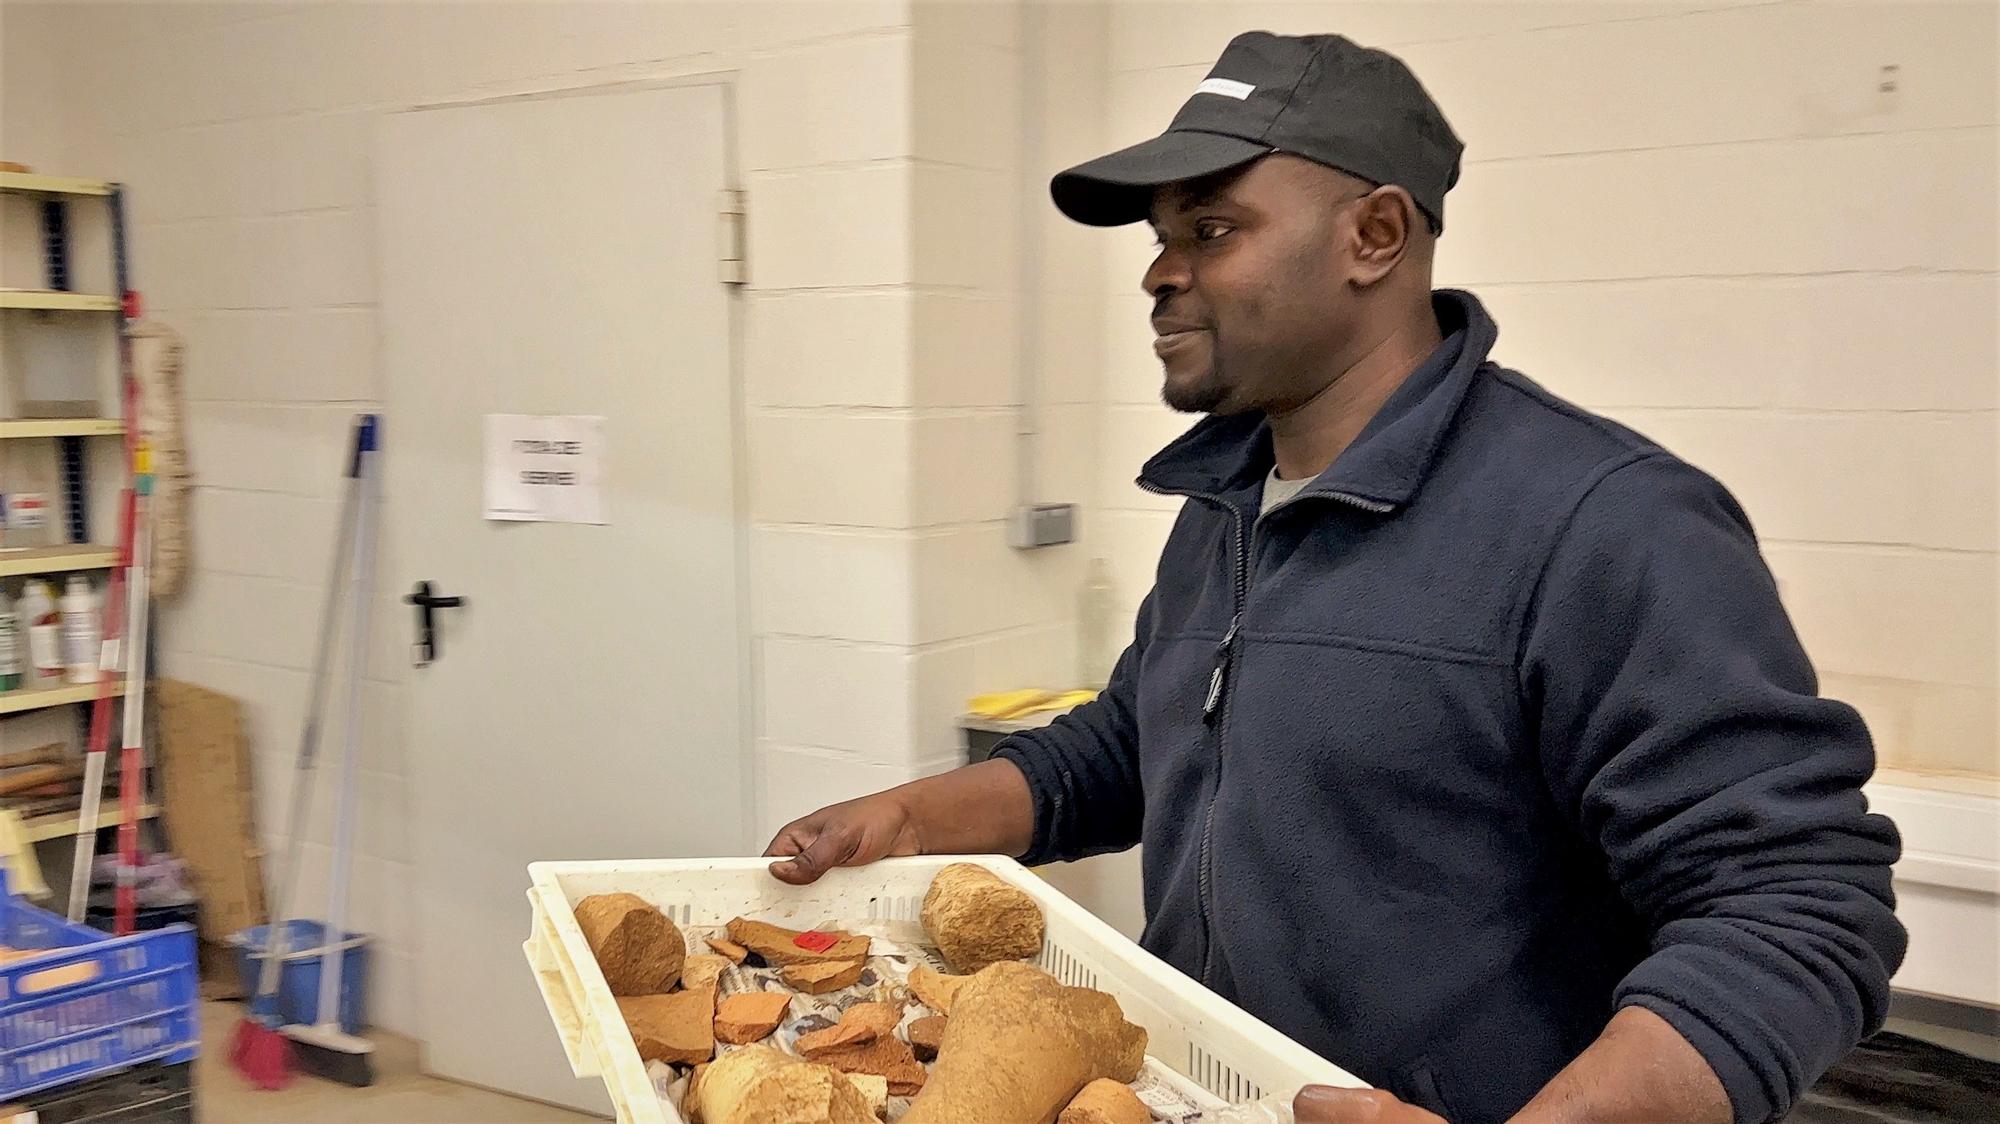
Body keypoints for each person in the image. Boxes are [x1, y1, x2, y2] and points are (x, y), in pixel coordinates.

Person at [765, 32, 1905, 1124]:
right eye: (1160, 237)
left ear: (1373, 235)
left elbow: (1796, 910)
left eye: (1211, 228)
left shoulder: (1604, 521)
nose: (1160, 273)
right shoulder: (1228, 503)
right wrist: (912, 817)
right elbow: (1131, 745)